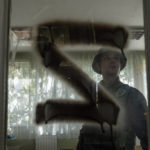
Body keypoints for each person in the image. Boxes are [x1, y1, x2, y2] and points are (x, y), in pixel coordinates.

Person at [77, 47, 148, 150]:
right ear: (99, 66)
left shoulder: (132, 95)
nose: (112, 60)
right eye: (107, 58)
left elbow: (145, 134)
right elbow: (85, 131)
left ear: (120, 65)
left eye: (116, 58)